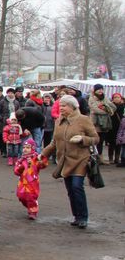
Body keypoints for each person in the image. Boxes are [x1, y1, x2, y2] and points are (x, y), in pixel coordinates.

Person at [40, 95, 100, 228]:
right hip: (64, 161)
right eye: (60, 105)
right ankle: (77, 216)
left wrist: (82, 139)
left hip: (80, 160)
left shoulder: (83, 120)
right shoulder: (58, 121)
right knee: (70, 190)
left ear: (73, 107)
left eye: (64, 105)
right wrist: (43, 154)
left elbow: (95, 138)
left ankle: (83, 217)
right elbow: (54, 142)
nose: (61, 108)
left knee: (76, 186)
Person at [14, 138, 48, 220]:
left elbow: (43, 164)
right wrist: (21, 167)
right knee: (21, 196)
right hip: (22, 182)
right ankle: (30, 205)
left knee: (31, 196)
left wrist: (41, 162)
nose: (25, 149)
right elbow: (16, 171)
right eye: (24, 147)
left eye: (28, 147)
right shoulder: (21, 160)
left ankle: (33, 211)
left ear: (32, 148)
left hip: (32, 181)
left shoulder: (35, 158)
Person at [88, 84, 116, 164]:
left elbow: (113, 107)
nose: (100, 91)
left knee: (102, 140)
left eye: (101, 89)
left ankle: (100, 158)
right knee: (95, 140)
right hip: (95, 122)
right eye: (98, 89)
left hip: (104, 122)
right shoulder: (92, 98)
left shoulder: (105, 98)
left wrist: (106, 107)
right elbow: (95, 109)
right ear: (95, 90)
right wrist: (107, 110)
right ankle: (94, 158)